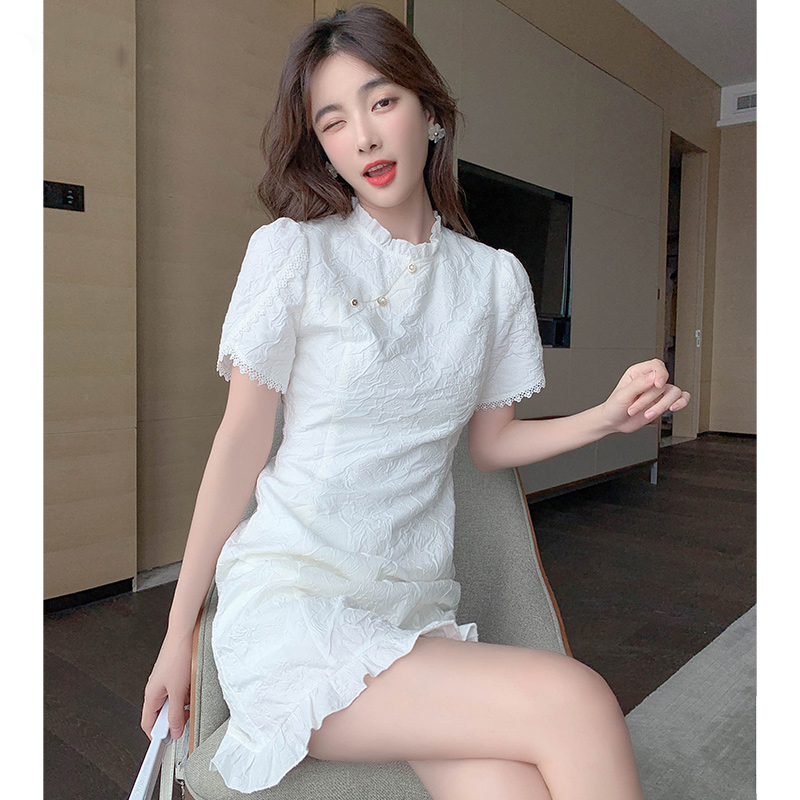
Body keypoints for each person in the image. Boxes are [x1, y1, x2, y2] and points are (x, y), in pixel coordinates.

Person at [141, 6, 690, 799]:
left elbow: (490, 445)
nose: (363, 136)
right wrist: (176, 635)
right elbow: (240, 447)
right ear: (321, 146)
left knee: (510, 786)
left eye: (382, 101)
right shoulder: (292, 253)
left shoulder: (494, 280)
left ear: (430, 113)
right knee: (578, 702)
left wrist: (605, 419)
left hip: (412, 611)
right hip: (296, 606)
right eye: (334, 120)